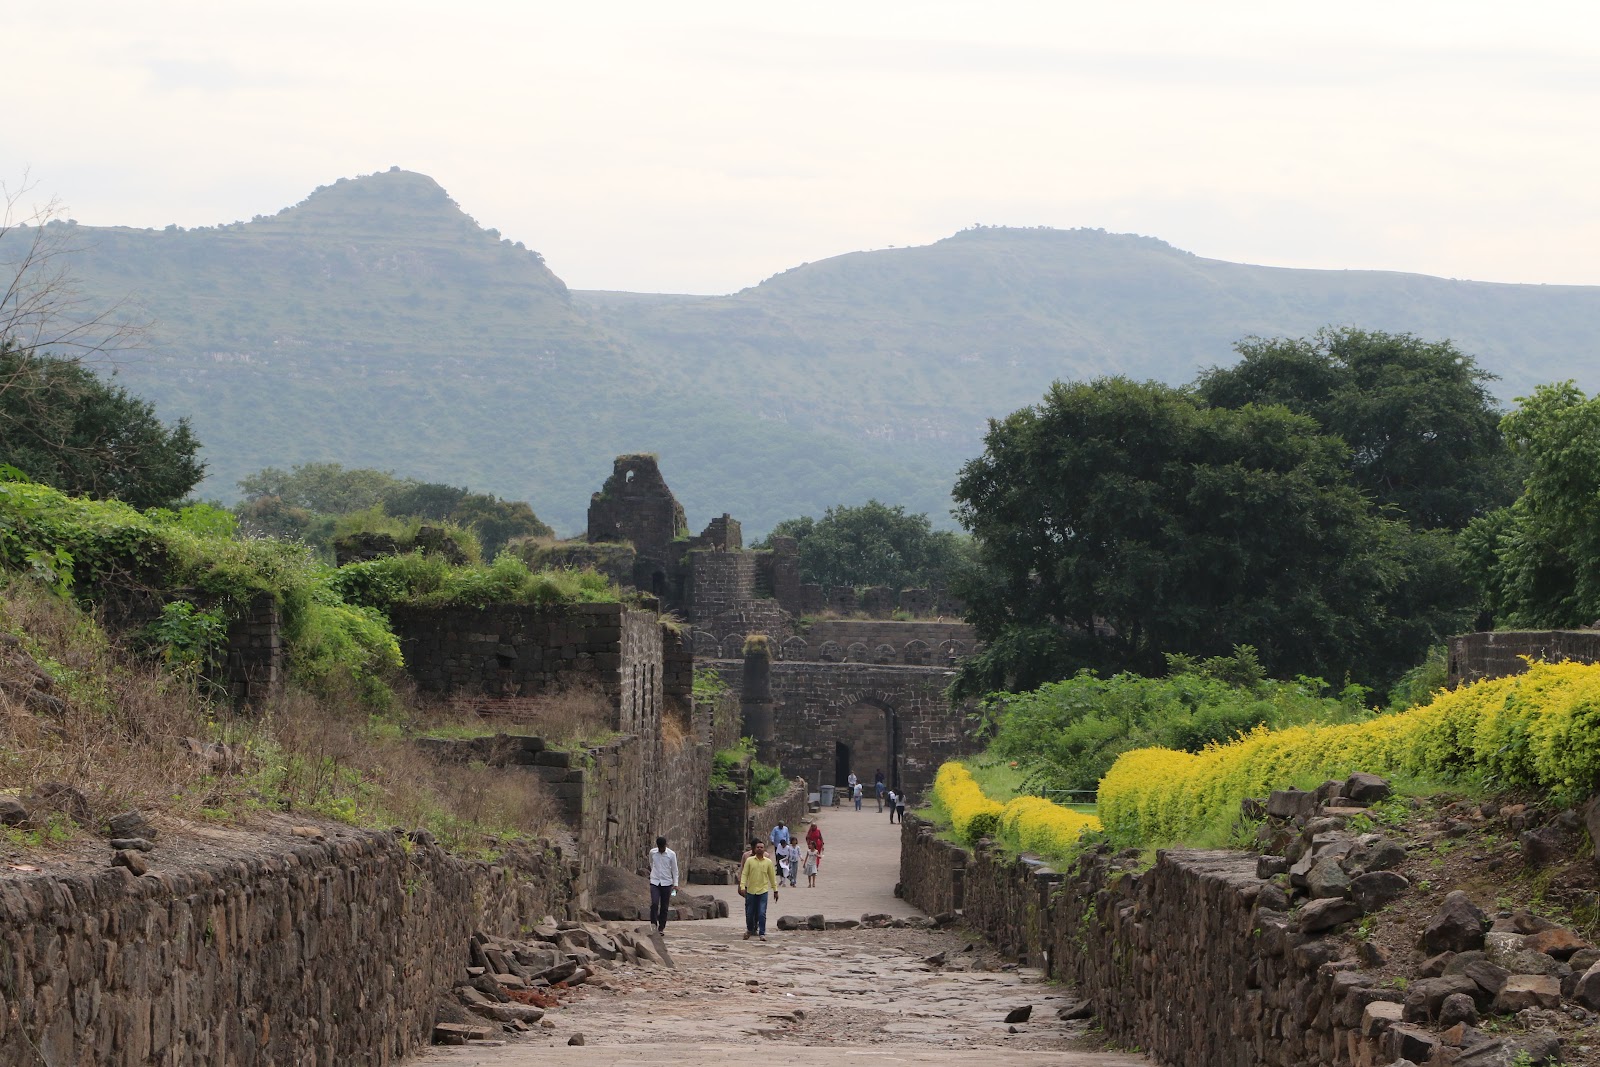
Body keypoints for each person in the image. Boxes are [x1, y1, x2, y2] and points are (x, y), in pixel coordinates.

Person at [739, 840, 780, 940]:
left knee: (762, 913)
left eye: (761, 847)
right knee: (749, 913)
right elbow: (744, 874)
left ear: (764, 849)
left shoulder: (768, 862)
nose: (759, 849)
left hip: (763, 891)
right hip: (751, 891)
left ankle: (762, 933)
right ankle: (749, 930)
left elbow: (772, 877)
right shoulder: (749, 860)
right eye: (758, 847)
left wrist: (775, 890)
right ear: (754, 849)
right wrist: (742, 886)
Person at [647, 836, 679, 935]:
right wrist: (654, 873)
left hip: (667, 883)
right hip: (655, 882)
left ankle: (661, 928)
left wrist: (676, 884)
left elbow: (674, 869)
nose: (661, 849)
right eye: (660, 848)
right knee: (654, 904)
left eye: (663, 847)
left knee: (664, 907)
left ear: (665, 845)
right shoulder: (653, 852)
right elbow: (651, 863)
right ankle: (653, 925)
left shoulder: (671, 854)